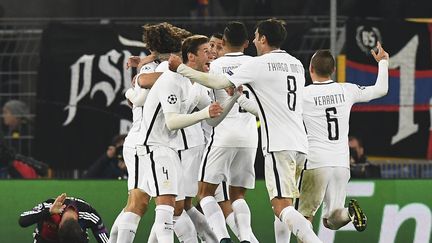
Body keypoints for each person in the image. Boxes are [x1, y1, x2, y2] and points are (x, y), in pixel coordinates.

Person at [169, 18, 322, 243]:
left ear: (263, 39)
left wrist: (180, 69)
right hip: (294, 140)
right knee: (257, 199)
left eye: (258, 37)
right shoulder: (296, 64)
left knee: (279, 206)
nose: (255, 42)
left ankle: (224, 238)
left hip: (272, 143)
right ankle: (248, 238)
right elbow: (265, 107)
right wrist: (239, 98)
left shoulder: (256, 64)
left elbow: (218, 84)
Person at [297, 43, 388, 238]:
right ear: (334, 70)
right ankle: (349, 213)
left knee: (302, 219)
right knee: (331, 220)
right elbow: (381, 90)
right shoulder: (346, 90)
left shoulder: (303, 95)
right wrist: (383, 63)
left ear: (310, 69)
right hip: (341, 164)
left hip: (316, 162)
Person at [199, 21, 259, 243]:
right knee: (238, 196)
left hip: (222, 135)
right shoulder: (256, 64)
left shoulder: (214, 66)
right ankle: (245, 238)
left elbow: (203, 98)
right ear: (246, 43)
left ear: (223, 43)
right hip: (250, 135)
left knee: (204, 193)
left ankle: (223, 238)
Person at [19, 193, 109, 243]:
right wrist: (48, 212)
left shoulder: (89, 214)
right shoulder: (49, 206)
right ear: (59, 225)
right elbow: (22, 221)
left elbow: (104, 238)